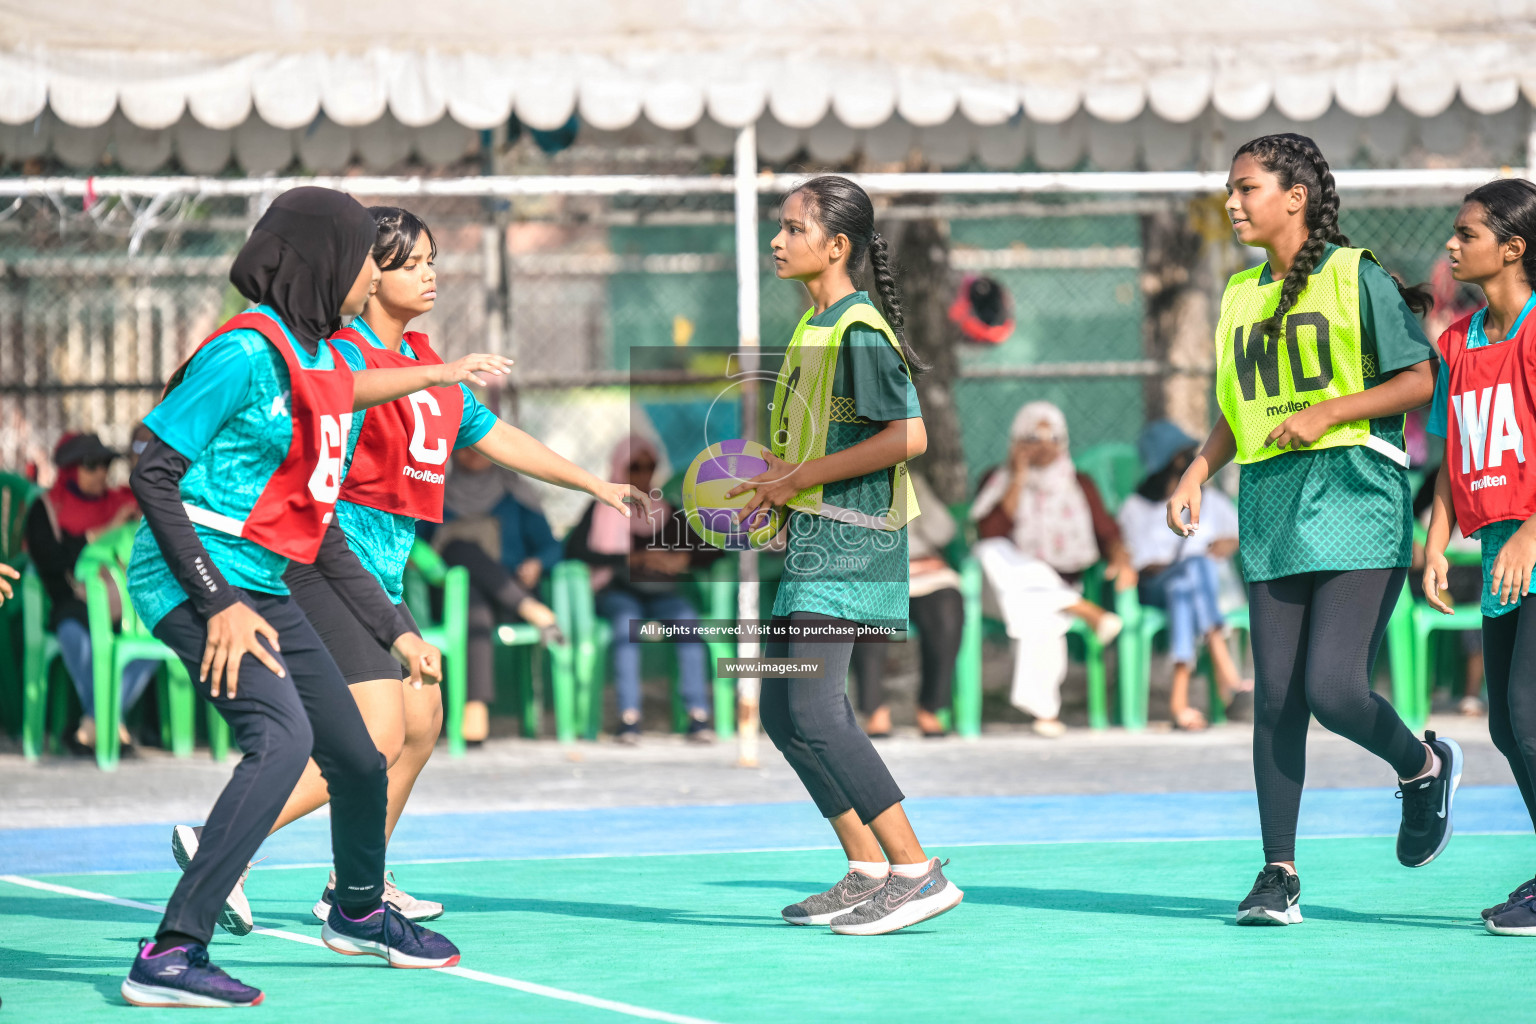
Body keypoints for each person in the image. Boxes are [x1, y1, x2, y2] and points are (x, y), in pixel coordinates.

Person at [173, 205, 643, 932]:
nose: (430, 272)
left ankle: (354, 880)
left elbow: (497, 437)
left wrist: (595, 484)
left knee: (423, 716)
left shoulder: (428, 366)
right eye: (411, 262)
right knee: (378, 733)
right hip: (326, 562)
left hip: (380, 570)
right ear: (369, 272)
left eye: (431, 260)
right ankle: (224, 847)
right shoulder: (341, 358)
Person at [119, 187, 506, 1007]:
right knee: (281, 739)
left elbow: (317, 519)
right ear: (324, 259)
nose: (379, 270)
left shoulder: (319, 357)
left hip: (262, 578)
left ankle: (359, 912)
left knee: (362, 756)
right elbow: (150, 466)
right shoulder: (245, 352)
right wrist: (216, 601)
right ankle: (170, 951)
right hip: (197, 576)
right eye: (369, 253)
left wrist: (395, 629)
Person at [1165, 133, 1460, 928]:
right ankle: (1278, 873)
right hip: (1270, 500)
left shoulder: (1353, 275)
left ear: (1295, 196)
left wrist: (1331, 409)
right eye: (1230, 189)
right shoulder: (1237, 295)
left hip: (1356, 494)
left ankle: (1423, 764)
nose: (1232, 202)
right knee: (1276, 702)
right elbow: (1238, 409)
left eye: (1247, 187)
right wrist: (1198, 470)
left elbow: (1418, 379)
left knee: (1333, 689)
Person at [725, 174, 962, 935]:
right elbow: (827, 441)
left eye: (794, 229)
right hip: (814, 537)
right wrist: (774, 485)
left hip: (854, 544)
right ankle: (866, 867)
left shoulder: (859, 330)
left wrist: (799, 478)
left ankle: (916, 871)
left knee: (819, 709)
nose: (777, 239)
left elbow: (908, 436)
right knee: (782, 713)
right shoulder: (815, 327)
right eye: (780, 226)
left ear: (837, 246)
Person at [1420, 178, 1536, 935]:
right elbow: (1449, 454)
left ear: (1513, 248)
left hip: (1531, 545)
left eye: (1467, 234)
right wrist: (1433, 544)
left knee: (1525, 718)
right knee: (1503, 725)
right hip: (1496, 552)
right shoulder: (1458, 341)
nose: (1452, 246)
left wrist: (1531, 530)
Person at [971, 401, 1134, 736]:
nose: (1044, 446)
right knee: (992, 550)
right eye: (1033, 437)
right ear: (1016, 440)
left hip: (1047, 592)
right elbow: (990, 534)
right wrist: (1018, 477)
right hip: (998, 593)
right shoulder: (995, 480)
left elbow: (1108, 533)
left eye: (1053, 437)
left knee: (1041, 613)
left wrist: (1121, 557)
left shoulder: (1080, 483)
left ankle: (1045, 713)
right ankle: (1081, 609)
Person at [565, 435, 719, 743]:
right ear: (621, 466)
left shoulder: (667, 511)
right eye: (635, 466)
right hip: (618, 592)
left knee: (688, 621)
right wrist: (629, 558)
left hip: (661, 594)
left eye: (650, 466)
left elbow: (712, 550)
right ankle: (629, 718)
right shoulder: (601, 510)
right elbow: (574, 551)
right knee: (626, 625)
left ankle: (698, 715)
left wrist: (681, 559)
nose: (643, 473)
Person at [24, 432, 157, 753]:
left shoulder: (122, 503)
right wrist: (107, 530)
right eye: (91, 465)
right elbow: (52, 560)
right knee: (72, 630)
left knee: (159, 630)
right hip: (72, 603)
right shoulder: (47, 509)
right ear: (70, 469)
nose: (101, 473)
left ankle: (93, 725)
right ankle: (111, 725)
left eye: (105, 464)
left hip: (125, 605)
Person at [1117, 419, 1250, 730]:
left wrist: (1225, 544)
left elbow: (1235, 536)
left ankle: (1179, 704)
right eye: (1183, 455)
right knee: (1193, 569)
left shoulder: (1212, 500)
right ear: (1169, 461)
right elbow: (1143, 565)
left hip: (1194, 590)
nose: (1192, 460)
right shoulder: (1136, 508)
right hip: (1154, 589)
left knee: (1184, 589)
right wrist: (1192, 560)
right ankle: (1227, 675)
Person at [431, 444, 567, 744]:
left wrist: (537, 563)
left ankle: (474, 711)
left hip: (509, 592)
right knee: (461, 555)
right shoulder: (437, 494)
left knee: (464, 564)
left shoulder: (515, 497)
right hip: (456, 597)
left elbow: (552, 547)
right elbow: (419, 547)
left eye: (478, 446)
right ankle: (533, 611)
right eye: (462, 448)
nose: (471, 454)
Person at [851, 470, 962, 738]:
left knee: (947, 608)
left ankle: (931, 707)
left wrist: (911, 493)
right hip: (872, 574)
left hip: (920, 571)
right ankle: (875, 710)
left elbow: (944, 532)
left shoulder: (909, 481)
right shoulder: (842, 486)